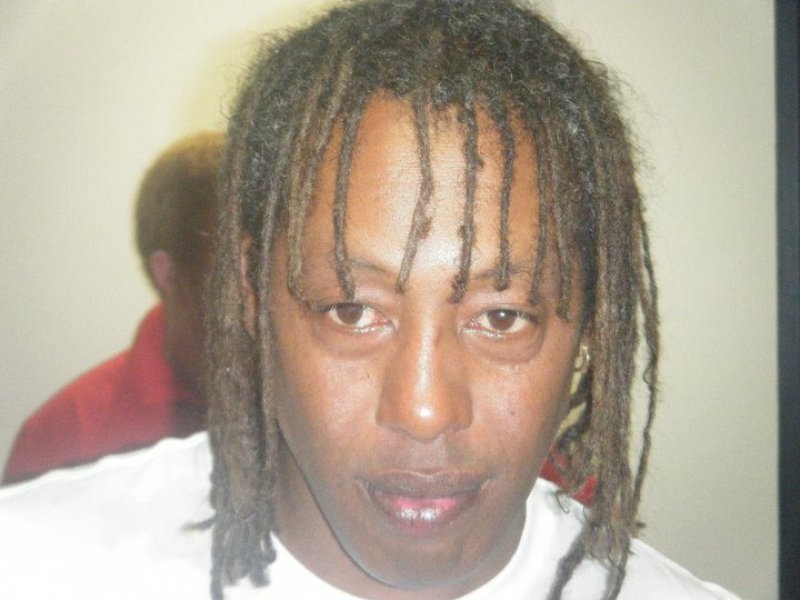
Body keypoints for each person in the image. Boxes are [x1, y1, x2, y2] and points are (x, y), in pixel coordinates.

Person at [0, 1, 738, 598]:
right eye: (352, 311)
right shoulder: (33, 569)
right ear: (252, 295)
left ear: (592, 324)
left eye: (501, 317)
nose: (424, 410)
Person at [2, 131, 223, 484]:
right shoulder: (64, 438)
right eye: (233, 264)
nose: (264, 284)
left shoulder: (302, 399)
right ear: (168, 273)